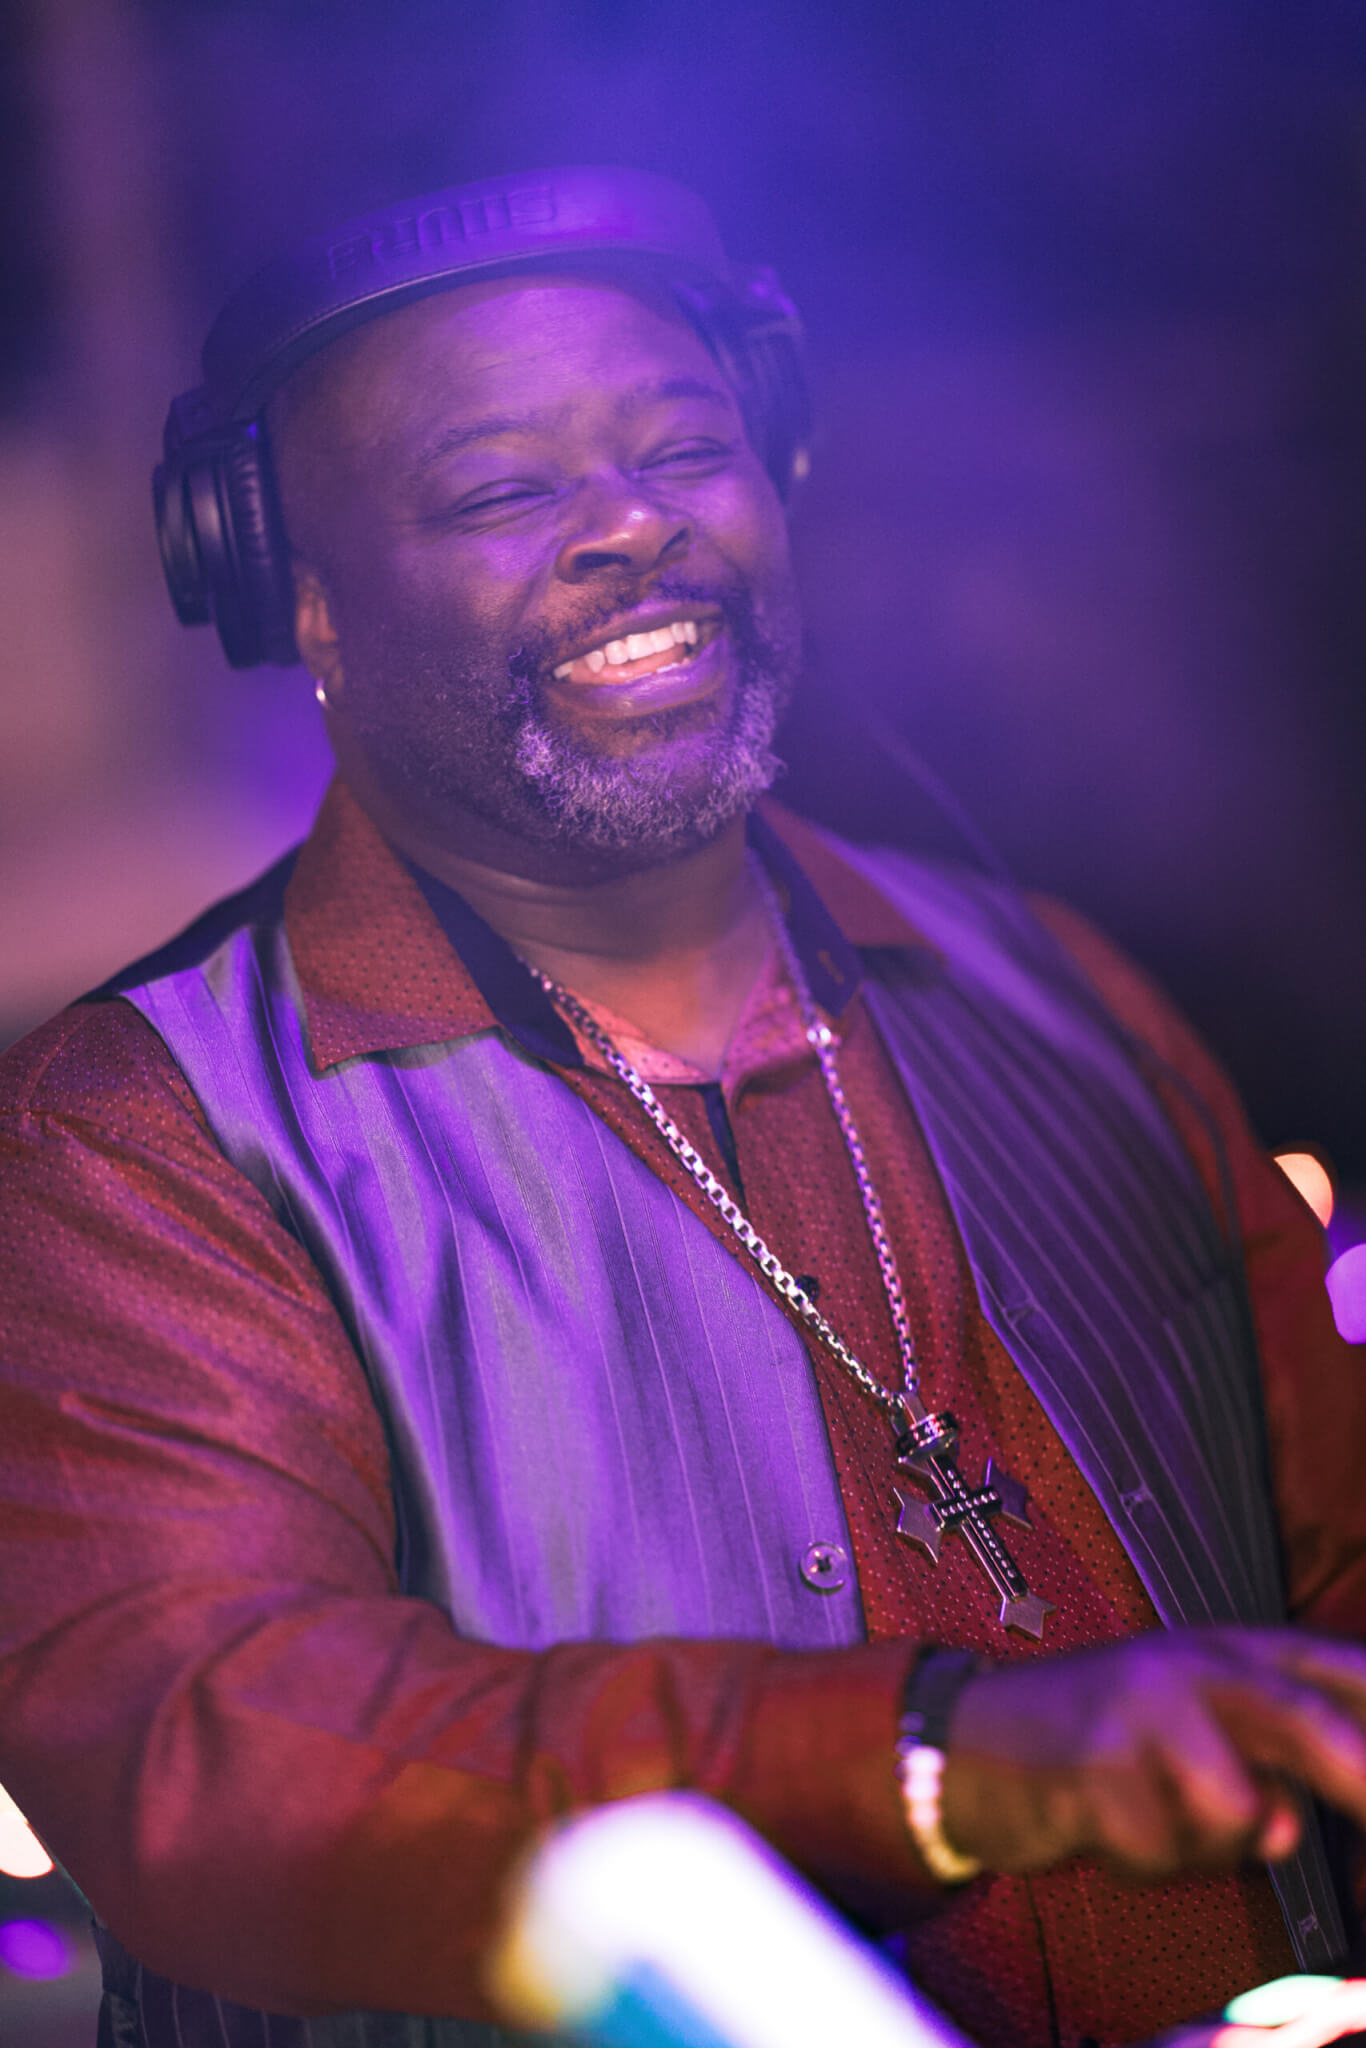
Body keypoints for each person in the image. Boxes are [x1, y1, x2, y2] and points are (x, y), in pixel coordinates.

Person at [0, 165, 1364, 2048]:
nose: (632, 526)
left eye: (684, 451)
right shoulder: (140, 1142)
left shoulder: (1058, 994)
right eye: (499, 492)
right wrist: (934, 1760)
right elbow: (217, 1749)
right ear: (297, 601)